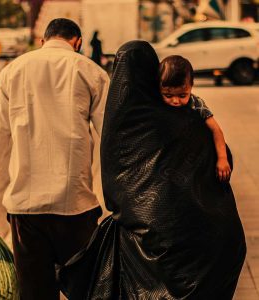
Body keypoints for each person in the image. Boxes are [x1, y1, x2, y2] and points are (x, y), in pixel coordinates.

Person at [59, 41, 246, 299]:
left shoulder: (119, 122)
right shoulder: (187, 116)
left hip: (143, 233)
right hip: (196, 231)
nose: (175, 100)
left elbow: (116, 179)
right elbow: (219, 162)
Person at [0, 18, 110, 300]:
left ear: (43, 41)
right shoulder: (91, 72)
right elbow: (113, 137)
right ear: (78, 43)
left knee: (34, 293)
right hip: (75, 207)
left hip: (26, 210)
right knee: (87, 290)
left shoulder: (13, 71)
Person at [159, 55, 231, 182]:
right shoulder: (155, 103)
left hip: (192, 159)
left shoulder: (196, 104)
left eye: (182, 95)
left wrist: (222, 158)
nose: (175, 101)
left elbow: (216, 130)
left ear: (191, 86)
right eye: (168, 95)